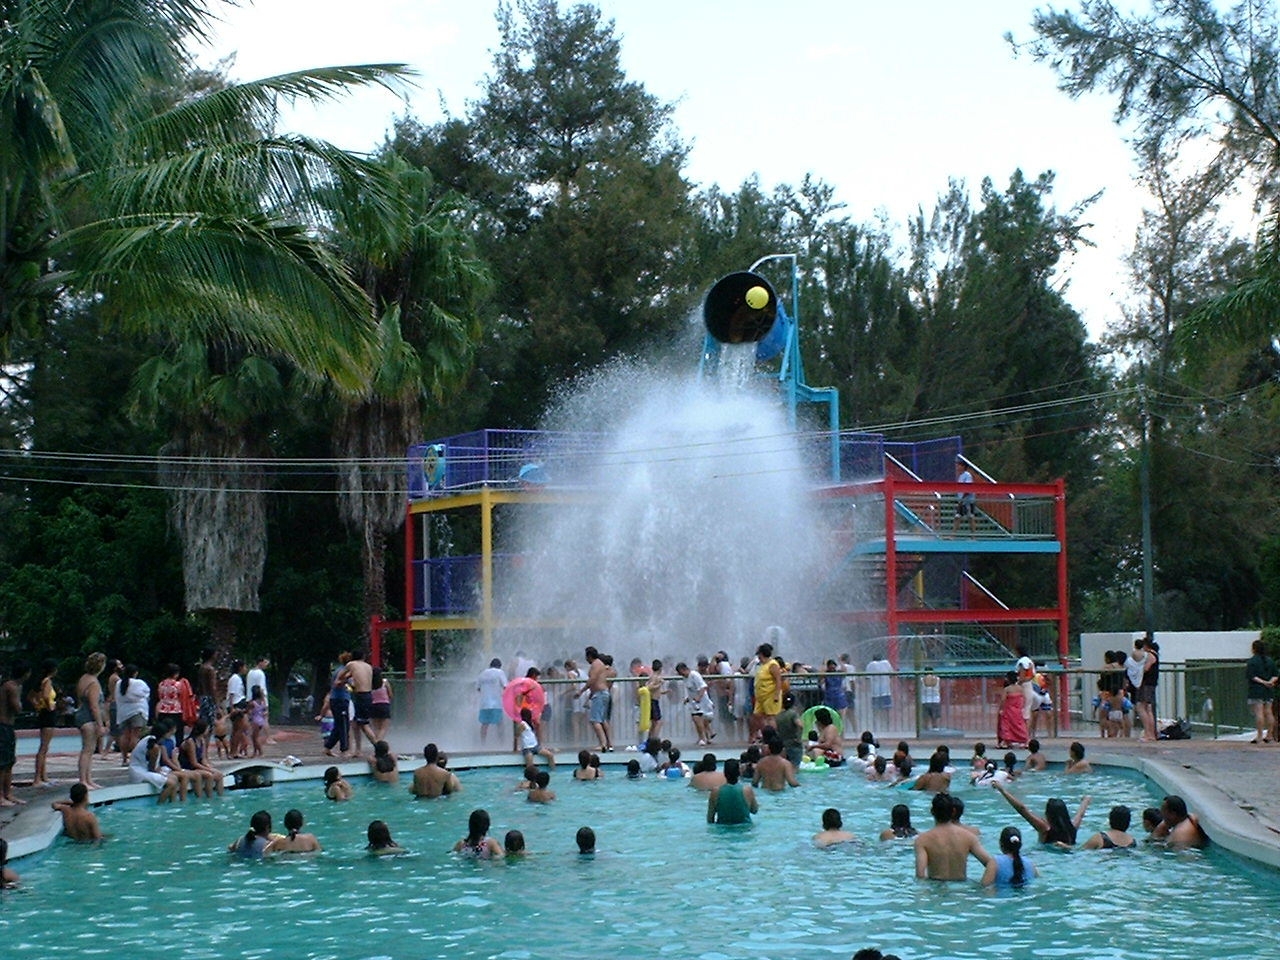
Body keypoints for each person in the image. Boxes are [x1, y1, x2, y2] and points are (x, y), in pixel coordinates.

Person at [914, 792, 992, 880]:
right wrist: (985, 884)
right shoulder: (969, 837)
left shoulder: (922, 840)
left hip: (937, 888)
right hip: (962, 889)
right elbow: (990, 863)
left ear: (932, 811)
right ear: (953, 811)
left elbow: (920, 875)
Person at [994, 782, 1090, 847]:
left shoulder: (1044, 828)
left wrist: (1002, 791)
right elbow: (1080, 813)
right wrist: (1086, 800)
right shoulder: (1073, 827)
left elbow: (1022, 809)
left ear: (1048, 814)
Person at [74, 652, 108, 790]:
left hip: (83, 715)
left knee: (88, 750)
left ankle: (87, 779)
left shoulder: (84, 678)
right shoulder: (93, 683)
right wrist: (101, 725)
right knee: (87, 750)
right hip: (88, 718)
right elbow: (95, 706)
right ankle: (84, 780)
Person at [334, 649, 376, 755]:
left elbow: (340, 677)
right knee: (356, 723)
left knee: (364, 724)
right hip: (368, 694)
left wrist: (344, 680)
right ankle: (358, 750)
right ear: (364, 657)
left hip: (360, 695)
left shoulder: (351, 664)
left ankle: (378, 746)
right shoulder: (368, 666)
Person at [127, 724, 180, 803]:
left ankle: (172, 803)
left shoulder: (148, 738)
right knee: (171, 783)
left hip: (142, 769)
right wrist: (162, 773)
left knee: (174, 778)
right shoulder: (154, 747)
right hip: (139, 772)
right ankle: (160, 804)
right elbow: (151, 768)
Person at [28, 658, 59, 787]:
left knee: (44, 747)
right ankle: (37, 778)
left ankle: (43, 776)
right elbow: (46, 696)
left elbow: (30, 697)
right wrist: (49, 706)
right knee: (44, 747)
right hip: (48, 715)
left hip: (43, 714)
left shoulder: (40, 681)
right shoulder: (48, 681)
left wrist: (37, 706)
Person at [0, 661, 27, 807]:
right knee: (2, 763)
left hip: (8, 727)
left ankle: (8, 793)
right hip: (2, 726)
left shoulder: (16, 686)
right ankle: (1, 796)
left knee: (9, 762)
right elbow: (17, 708)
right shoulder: (10, 687)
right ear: (26, 673)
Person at [114, 664, 150, 767]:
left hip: (123, 712)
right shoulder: (139, 683)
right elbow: (145, 694)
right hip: (137, 711)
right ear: (135, 673)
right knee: (135, 736)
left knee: (125, 735)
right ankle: (135, 759)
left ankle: (124, 759)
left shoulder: (119, 683)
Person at [579, 646, 613, 753]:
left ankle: (602, 744)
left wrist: (582, 691)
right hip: (602, 693)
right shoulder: (600, 664)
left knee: (595, 721)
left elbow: (592, 679)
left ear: (589, 656)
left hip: (600, 694)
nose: (586, 659)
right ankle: (609, 744)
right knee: (602, 720)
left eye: (586, 656)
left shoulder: (596, 664)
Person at [179, 720, 225, 797]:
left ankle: (220, 796)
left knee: (219, 774)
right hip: (188, 766)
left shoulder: (202, 740)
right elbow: (194, 762)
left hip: (197, 766)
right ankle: (207, 797)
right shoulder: (190, 742)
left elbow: (203, 758)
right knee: (209, 775)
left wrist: (208, 766)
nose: (208, 731)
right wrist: (208, 770)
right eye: (207, 729)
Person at [317, 653, 350, 758]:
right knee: (344, 725)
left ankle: (328, 747)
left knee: (339, 725)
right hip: (340, 699)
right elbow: (338, 683)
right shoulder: (344, 671)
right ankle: (344, 749)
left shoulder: (339, 669)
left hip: (338, 699)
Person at [751, 639, 784, 741]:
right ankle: (766, 734)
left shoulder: (772, 664)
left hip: (770, 695)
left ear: (762, 654)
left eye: (759, 654)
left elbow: (778, 679)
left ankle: (773, 736)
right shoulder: (762, 665)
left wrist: (776, 694)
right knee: (757, 715)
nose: (758, 657)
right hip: (761, 696)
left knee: (770, 717)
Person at [707, 757, 757, 824]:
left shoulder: (715, 792)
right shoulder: (747, 790)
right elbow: (754, 810)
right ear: (738, 773)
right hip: (744, 830)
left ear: (724, 773)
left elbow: (710, 819)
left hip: (722, 830)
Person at [1245, 638, 1277, 744]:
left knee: (1259, 713)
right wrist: (1270, 682)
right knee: (1269, 712)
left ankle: (1259, 736)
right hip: (1268, 690)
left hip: (1256, 690)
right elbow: (1275, 675)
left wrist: (1263, 682)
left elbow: (1252, 676)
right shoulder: (1270, 661)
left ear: (1254, 649)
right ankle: (1269, 735)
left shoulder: (1252, 661)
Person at [676, 660, 715, 745]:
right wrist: (687, 698)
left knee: (700, 720)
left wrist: (699, 697)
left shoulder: (694, 675)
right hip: (693, 702)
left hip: (702, 702)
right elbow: (690, 690)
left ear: (684, 669)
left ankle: (704, 738)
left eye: (681, 672)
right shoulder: (685, 678)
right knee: (696, 720)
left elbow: (703, 687)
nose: (680, 675)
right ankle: (704, 737)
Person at [476, 657, 507, 745]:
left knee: (484, 724)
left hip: (484, 704)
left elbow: (478, 688)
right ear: (499, 666)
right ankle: (502, 743)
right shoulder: (499, 672)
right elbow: (505, 686)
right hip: (496, 703)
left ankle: (483, 743)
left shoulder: (482, 673)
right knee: (499, 723)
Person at [1135, 636, 1160, 742]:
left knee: (1141, 707)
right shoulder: (1155, 654)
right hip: (1151, 683)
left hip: (1146, 684)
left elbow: (1146, 669)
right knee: (1148, 708)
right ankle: (1151, 734)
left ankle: (1148, 733)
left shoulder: (1150, 655)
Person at [996, 669, 1028, 749]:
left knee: (1006, 726)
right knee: (1019, 725)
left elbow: (1003, 700)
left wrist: (1001, 709)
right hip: (1017, 710)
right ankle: (1024, 740)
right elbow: (1024, 698)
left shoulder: (1007, 689)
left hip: (1008, 710)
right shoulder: (1020, 688)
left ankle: (1007, 741)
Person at [775, 692, 804, 768]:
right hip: (794, 745)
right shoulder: (793, 714)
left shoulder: (778, 715)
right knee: (795, 768)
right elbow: (800, 725)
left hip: (783, 745)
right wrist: (799, 738)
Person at [866, 651, 893, 724]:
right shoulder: (886, 663)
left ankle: (876, 726)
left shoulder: (870, 665)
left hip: (875, 692)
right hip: (886, 691)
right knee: (886, 710)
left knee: (875, 711)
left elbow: (867, 678)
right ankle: (886, 725)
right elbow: (891, 675)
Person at [369, 667, 392, 744]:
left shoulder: (370, 684)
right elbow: (390, 695)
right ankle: (379, 743)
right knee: (384, 728)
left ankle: (376, 741)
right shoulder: (384, 682)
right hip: (384, 705)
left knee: (376, 727)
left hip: (373, 706)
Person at [953, 456, 976, 532]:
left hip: (967, 501)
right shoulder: (960, 476)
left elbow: (967, 488)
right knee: (957, 517)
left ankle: (974, 536)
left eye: (958, 465)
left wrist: (962, 499)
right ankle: (953, 535)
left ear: (963, 466)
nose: (957, 467)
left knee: (970, 517)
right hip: (962, 501)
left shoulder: (967, 475)